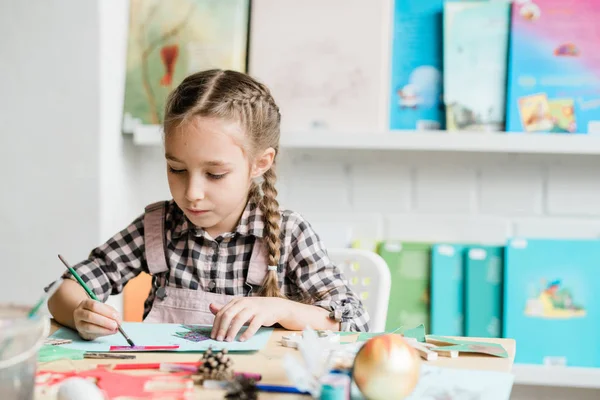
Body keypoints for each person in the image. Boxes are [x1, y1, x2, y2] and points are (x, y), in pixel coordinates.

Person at [47, 69, 370, 343]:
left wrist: (282, 309)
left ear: (260, 163)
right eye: (177, 169)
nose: (192, 193)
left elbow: (354, 322)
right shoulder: (157, 227)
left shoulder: (289, 233)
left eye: (215, 174)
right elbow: (66, 292)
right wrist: (79, 313)